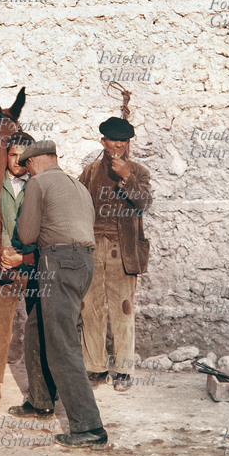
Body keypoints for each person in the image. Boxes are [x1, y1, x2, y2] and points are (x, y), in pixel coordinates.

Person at [8, 140, 108, 450]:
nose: (27, 170)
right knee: (36, 327)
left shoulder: (38, 182)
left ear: (36, 162)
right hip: (83, 263)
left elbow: (26, 235)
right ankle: (40, 402)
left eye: (28, 165)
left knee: (62, 343)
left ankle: (89, 426)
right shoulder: (77, 186)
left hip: (56, 263)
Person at [79, 117, 152, 392]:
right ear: (103, 142)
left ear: (129, 144)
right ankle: (95, 367)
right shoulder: (89, 171)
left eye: (123, 141)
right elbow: (78, 206)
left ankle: (123, 370)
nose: (118, 145)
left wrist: (127, 178)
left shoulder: (140, 173)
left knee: (123, 310)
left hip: (123, 252)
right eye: (113, 140)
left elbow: (144, 203)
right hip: (93, 249)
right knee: (91, 308)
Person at [0, 132, 36, 408]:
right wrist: (1, 251)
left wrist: (25, 256)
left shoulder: (39, 185)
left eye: (23, 155)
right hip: (2, 263)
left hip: (32, 265)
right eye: (12, 154)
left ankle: (40, 387)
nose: (17, 161)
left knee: (39, 326)